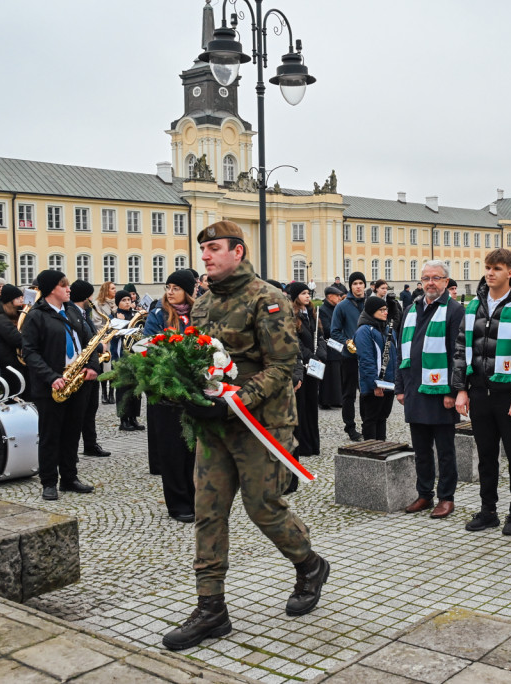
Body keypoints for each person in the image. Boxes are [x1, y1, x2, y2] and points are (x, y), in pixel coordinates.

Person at [162, 220, 328, 651]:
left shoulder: (267, 299)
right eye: (203, 250)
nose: (206, 256)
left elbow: (283, 365)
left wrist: (239, 398)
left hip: (261, 424)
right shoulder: (199, 305)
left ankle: (309, 565)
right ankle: (211, 608)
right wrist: (184, 389)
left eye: (215, 248)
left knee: (264, 508)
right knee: (208, 511)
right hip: (214, 425)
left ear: (238, 251)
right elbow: (196, 356)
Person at [453, 248, 511, 536]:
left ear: (510, 272)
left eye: (497, 268)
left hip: (508, 394)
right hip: (479, 391)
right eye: (487, 267)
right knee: (486, 454)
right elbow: (460, 349)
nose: (490, 273)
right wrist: (461, 389)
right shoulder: (474, 306)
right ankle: (488, 510)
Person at [21, 270, 99, 501]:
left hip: (78, 381)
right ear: (52, 289)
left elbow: (90, 341)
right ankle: (48, 482)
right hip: (52, 385)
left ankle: (69, 478)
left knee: (72, 432)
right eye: (64, 285)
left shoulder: (73, 310)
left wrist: (92, 365)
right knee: (50, 435)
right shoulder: (36, 315)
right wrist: (50, 376)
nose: (69, 289)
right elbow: (30, 352)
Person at [396, 261, 465, 520]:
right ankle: (424, 493)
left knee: (445, 450)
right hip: (415, 390)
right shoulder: (412, 309)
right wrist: (400, 387)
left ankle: (446, 498)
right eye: (426, 278)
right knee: (421, 449)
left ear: (446, 281)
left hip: (440, 392)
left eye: (436, 278)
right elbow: (403, 351)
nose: (430, 282)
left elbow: (458, 355)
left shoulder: (455, 310)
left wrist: (453, 391)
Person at [143, 270, 198, 521]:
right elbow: (150, 346)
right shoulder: (158, 315)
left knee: (193, 449)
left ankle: (196, 498)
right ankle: (178, 504)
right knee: (173, 450)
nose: (170, 292)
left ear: (187, 290)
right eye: (168, 287)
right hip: (166, 393)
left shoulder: (198, 314)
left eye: (176, 287)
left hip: (195, 391)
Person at [69, 281, 111, 459]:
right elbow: (85, 342)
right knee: (79, 412)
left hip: (93, 366)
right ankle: (72, 449)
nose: (92, 299)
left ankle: (90, 444)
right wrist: (100, 347)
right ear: (86, 297)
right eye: (90, 295)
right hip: (82, 369)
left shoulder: (84, 313)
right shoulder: (73, 314)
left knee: (91, 409)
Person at [288, 282, 326, 460]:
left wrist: (320, 354)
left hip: (314, 366)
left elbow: (320, 337)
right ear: (296, 296)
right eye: (303, 293)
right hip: (302, 366)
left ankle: (313, 443)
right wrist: (310, 356)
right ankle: (303, 445)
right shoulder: (292, 316)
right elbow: (297, 343)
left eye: (308, 293)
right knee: (302, 406)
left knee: (312, 404)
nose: (308, 296)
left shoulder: (312, 313)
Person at [330, 271, 367, 441]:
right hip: (349, 356)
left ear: (365, 285)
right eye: (355, 283)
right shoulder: (342, 306)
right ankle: (350, 427)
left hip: (368, 356)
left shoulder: (369, 304)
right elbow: (334, 332)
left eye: (361, 283)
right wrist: (347, 343)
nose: (358, 286)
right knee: (349, 394)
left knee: (368, 392)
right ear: (350, 286)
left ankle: (368, 424)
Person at [356, 295, 399, 440]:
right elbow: (366, 360)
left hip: (388, 383)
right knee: (371, 419)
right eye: (381, 310)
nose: (385, 312)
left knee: (382, 419)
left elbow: (395, 356)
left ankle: (382, 449)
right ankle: (370, 454)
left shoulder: (388, 329)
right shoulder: (364, 331)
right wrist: (374, 383)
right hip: (373, 386)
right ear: (371, 311)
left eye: (386, 309)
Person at [111, 290, 144, 432]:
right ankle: (123, 419)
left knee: (136, 390)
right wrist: (121, 323)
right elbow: (113, 336)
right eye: (123, 300)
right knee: (123, 390)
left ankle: (134, 418)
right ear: (118, 302)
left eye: (129, 300)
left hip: (135, 358)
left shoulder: (134, 315)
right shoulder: (114, 317)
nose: (127, 302)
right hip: (121, 359)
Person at [0, 284, 30, 398]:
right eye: (18, 298)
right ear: (9, 301)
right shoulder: (0, 318)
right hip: (9, 361)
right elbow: (15, 338)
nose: (22, 300)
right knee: (16, 392)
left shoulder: (15, 312)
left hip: (15, 360)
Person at [317, 286, 344, 410]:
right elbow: (327, 328)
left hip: (338, 345)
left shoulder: (337, 309)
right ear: (329, 296)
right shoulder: (323, 310)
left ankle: (337, 399)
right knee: (329, 374)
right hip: (328, 345)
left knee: (337, 373)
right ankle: (326, 400)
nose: (339, 298)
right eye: (337, 295)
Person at [95, 281, 117, 404]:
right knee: (104, 367)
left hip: (115, 338)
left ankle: (112, 393)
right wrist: (105, 336)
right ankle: (103, 393)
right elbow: (97, 323)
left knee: (114, 367)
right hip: (105, 339)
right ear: (106, 290)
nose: (115, 290)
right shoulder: (98, 304)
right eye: (112, 288)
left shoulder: (117, 303)